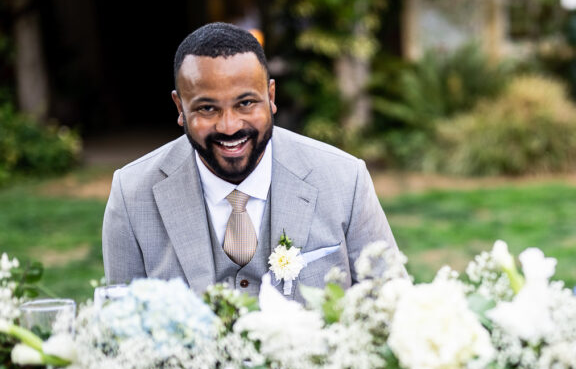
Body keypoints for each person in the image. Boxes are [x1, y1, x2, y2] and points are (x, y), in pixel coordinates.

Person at [102, 22, 398, 298]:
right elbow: (120, 327)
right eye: (207, 108)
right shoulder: (132, 194)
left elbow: (391, 302)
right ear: (180, 106)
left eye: (245, 103)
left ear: (270, 96)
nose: (229, 126)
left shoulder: (345, 179)